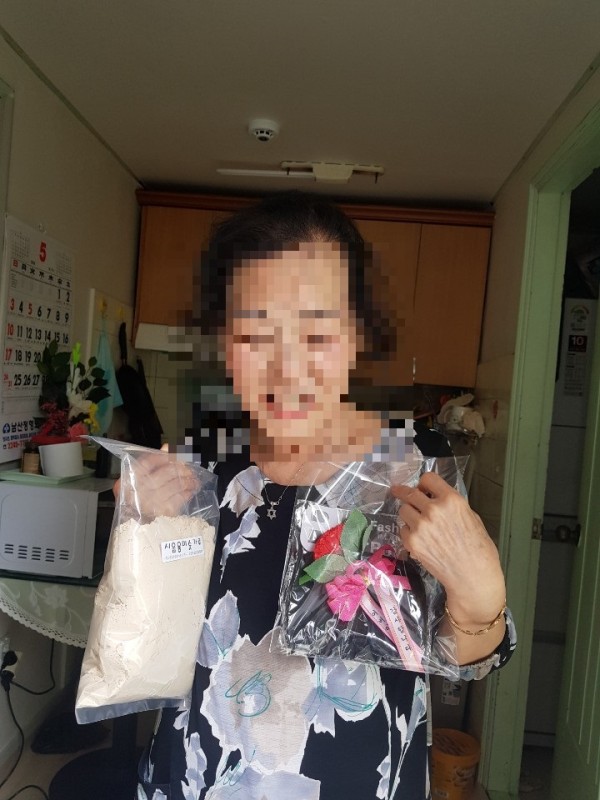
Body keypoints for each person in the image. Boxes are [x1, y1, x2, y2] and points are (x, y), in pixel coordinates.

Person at [134, 192, 516, 800]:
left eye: (317, 332)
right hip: (197, 777)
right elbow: (149, 646)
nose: (287, 369)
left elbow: (462, 658)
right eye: (255, 332)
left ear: (357, 334)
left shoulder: (413, 468)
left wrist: (481, 598)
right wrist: (141, 538)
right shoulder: (201, 464)